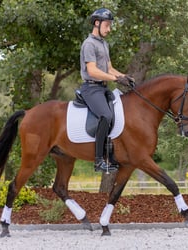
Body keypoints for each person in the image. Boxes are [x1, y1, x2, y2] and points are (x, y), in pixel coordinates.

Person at [79, 8, 132, 172]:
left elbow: (109, 68)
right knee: (106, 115)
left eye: (110, 25)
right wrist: (116, 79)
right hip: (91, 88)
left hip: (102, 88)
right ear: (97, 23)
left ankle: (112, 154)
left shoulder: (103, 43)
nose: (109, 29)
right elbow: (93, 71)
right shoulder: (89, 44)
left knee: (119, 112)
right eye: (107, 25)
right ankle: (98, 160)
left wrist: (125, 77)